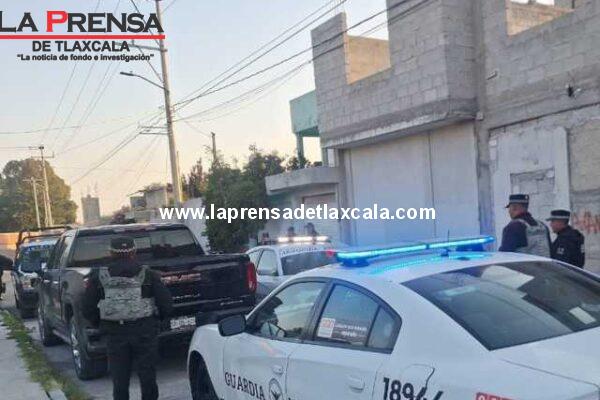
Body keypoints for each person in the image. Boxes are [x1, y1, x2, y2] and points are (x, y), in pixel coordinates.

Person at [82, 237, 173, 400]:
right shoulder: (148, 274)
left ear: (110, 252)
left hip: (115, 333)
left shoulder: (99, 276)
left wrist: (102, 323)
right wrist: (156, 321)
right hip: (144, 331)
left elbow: (87, 309)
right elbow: (166, 304)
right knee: (148, 377)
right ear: (134, 251)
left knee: (120, 380)